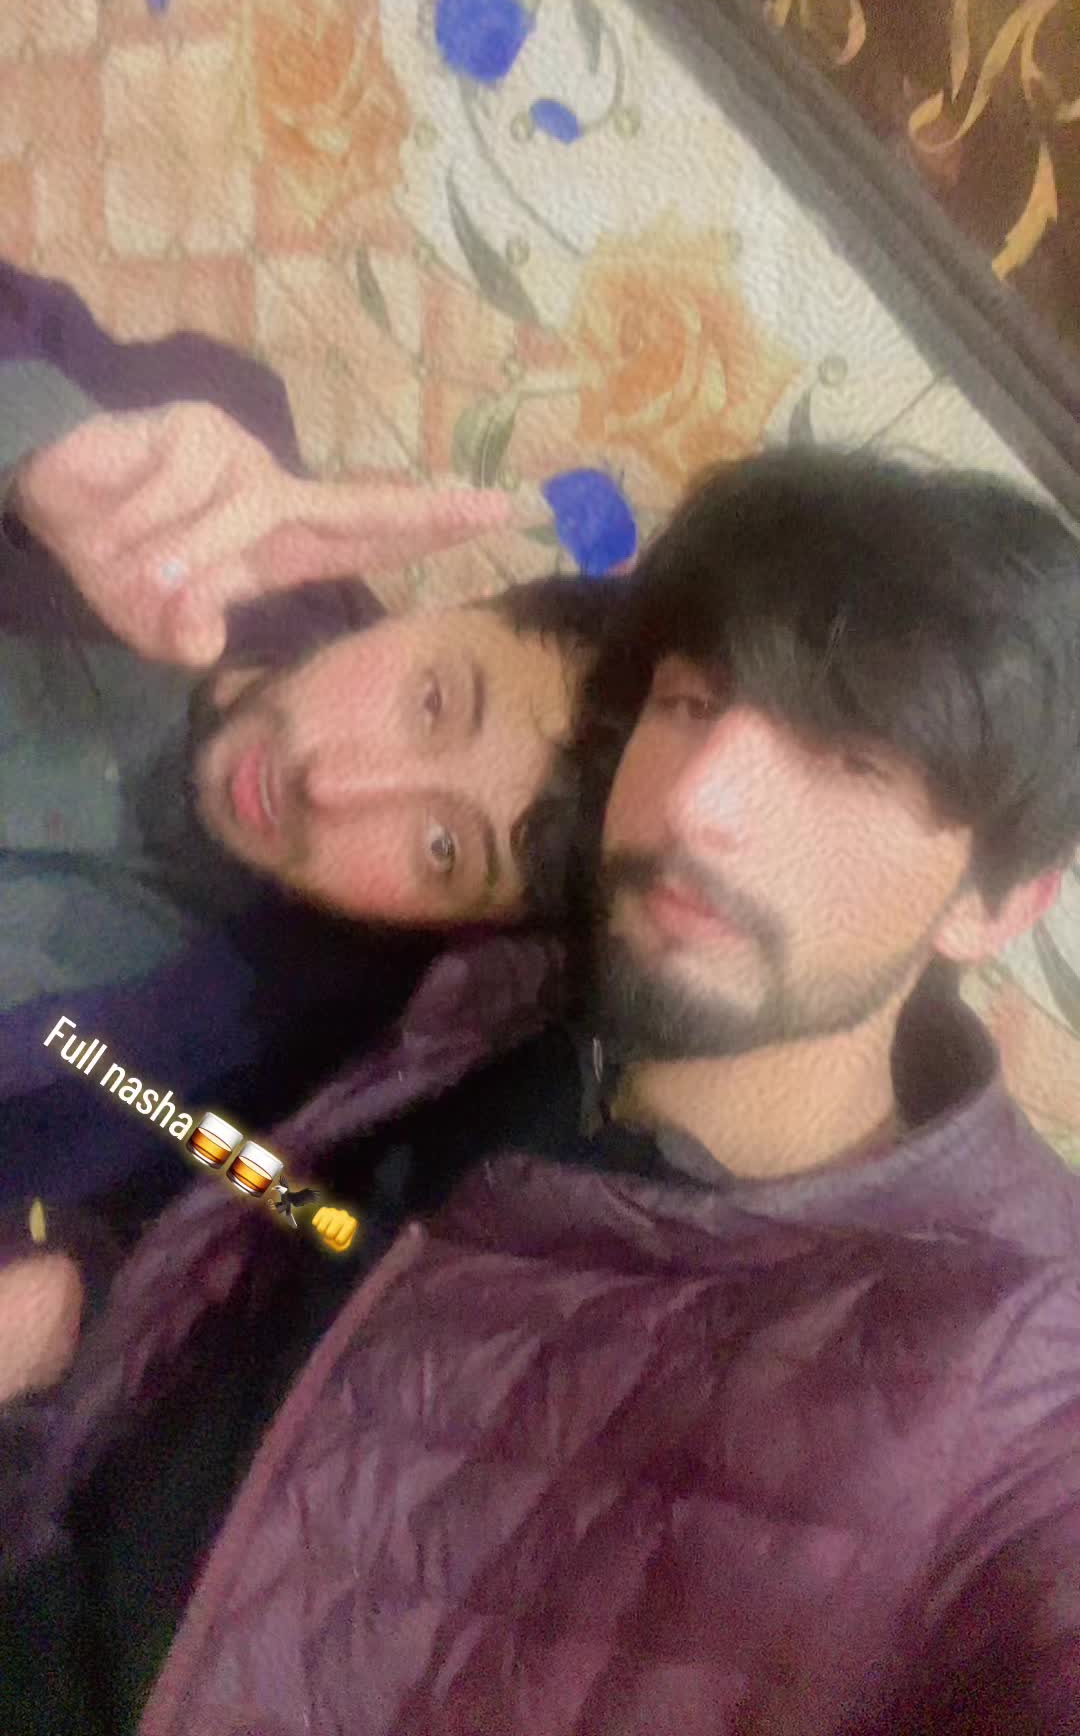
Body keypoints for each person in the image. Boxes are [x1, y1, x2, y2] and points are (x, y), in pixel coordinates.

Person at [6, 444, 1080, 1735]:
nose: (701, 803)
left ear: (1000, 903)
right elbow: (298, 1210)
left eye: (851, 763)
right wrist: (94, 1282)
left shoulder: (1007, 1368)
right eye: (692, 701)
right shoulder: (509, 1008)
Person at [0, 263, 612, 1216]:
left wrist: (67, 1269)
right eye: (431, 703)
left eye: (443, 849)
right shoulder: (205, 444)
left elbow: (290, 1212)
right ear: (451, 604)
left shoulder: (290, 1064)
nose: (332, 785)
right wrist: (30, 445)